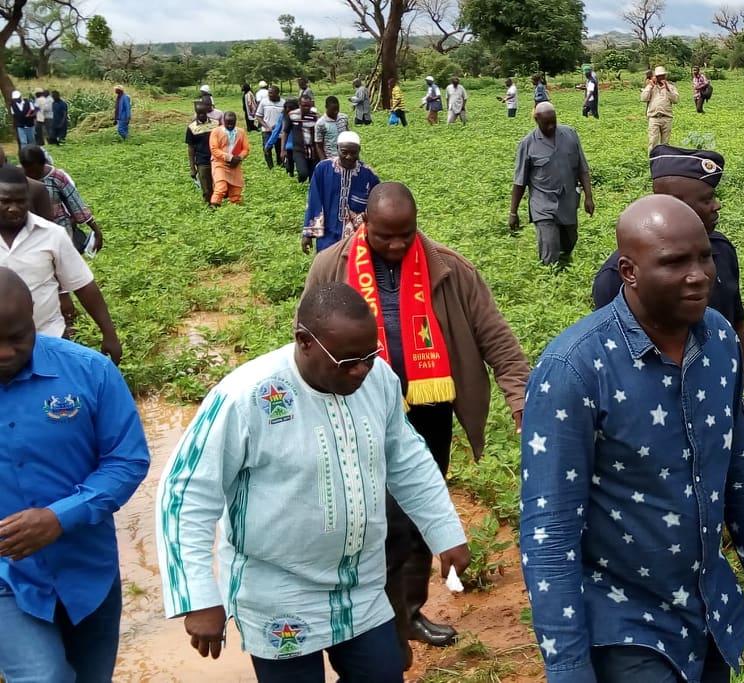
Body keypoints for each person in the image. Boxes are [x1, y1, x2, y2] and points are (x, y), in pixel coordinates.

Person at [521, 194, 744, 683]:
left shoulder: (720, 342)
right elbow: (550, 532)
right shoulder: (575, 369)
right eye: (674, 262)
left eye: (704, 256)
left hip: (709, 605)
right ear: (628, 270)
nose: (700, 275)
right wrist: (567, 667)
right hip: (623, 619)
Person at [589, 147, 744, 683]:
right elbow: (624, 368)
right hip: (659, 435)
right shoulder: (614, 280)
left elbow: (735, 331)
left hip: (724, 412)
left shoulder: (722, 251)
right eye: (705, 198)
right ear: (668, 199)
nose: (716, 207)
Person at [155, 282, 473, 681]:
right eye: (347, 361)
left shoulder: (379, 381)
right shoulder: (246, 397)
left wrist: (445, 530)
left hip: (361, 584)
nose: (361, 369)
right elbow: (185, 494)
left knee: (384, 673)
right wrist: (199, 597)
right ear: (304, 341)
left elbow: (408, 458)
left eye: (369, 355)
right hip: (278, 594)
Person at [306, 183, 530, 658]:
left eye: (404, 236)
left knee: (415, 517)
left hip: (428, 413)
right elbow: (306, 337)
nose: (395, 246)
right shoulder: (332, 266)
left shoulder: (449, 268)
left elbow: (498, 339)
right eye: (384, 236)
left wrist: (521, 404)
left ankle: (406, 615)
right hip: (355, 410)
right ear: (365, 224)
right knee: (368, 518)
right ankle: (370, 621)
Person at [0, 266, 149, 683]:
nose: (4, 353)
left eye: (16, 337)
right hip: (6, 576)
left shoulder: (89, 372)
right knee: (44, 677)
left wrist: (59, 517)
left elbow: (127, 460)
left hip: (88, 570)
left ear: (34, 317)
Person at [0, 165, 122, 361]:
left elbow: (84, 285)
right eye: (5, 201)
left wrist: (109, 334)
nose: (13, 208)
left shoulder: (52, 235)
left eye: (20, 201)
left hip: (49, 339)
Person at [509, 102, 595, 268]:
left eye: (553, 121)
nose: (551, 126)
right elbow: (519, 182)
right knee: (549, 247)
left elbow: (582, 169)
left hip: (568, 201)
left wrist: (588, 197)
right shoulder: (527, 144)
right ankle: (551, 279)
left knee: (569, 242)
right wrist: (513, 212)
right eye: (546, 123)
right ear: (536, 120)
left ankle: (565, 273)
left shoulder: (570, 134)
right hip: (543, 204)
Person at [302, 131, 382, 255]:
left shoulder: (369, 175)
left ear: (359, 150)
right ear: (337, 149)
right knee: (327, 269)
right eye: (344, 152)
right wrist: (308, 234)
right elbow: (314, 201)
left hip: (356, 238)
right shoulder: (322, 169)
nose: (349, 157)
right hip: (327, 236)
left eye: (353, 153)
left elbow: (376, 207)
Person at [19, 145, 104, 255]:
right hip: (29, 231)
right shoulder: (16, 178)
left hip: (59, 228)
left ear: (43, 163)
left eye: (37, 171)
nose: (33, 175)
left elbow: (75, 203)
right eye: (29, 172)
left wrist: (96, 230)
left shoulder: (57, 177)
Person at [208, 111, 249, 206]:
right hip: (220, 163)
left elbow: (246, 148)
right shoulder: (216, 132)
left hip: (235, 164)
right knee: (220, 187)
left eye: (232, 122)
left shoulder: (241, 132)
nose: (230, 125)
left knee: (236, 189)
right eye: (228, 122)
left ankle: (236, 209)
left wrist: (239, 157)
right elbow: (214, 149)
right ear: (223, 121)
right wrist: (230, 158)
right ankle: (214, 209)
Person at [185, 100, 219, 204]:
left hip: (217, 160)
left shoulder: (216, 124)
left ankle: (218, 205)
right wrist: (192, 168)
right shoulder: (192, 128)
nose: (201, 115)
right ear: (196, 113)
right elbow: (191, 148)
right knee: (206, 188)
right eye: (199, 113)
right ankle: (210, 208)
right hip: (202, 161)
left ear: (206, 112)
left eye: (203, 113)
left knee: (219, 185)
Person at [640, 66, 679, 149]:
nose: (660, 77)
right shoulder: (651, 86)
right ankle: (653, 160)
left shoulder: (671, 86)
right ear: (656, 77)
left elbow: (675, 100)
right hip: (654, 118)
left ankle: (663, 160)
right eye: (658, 76)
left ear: (665, 76)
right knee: (653, 142)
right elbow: (643, 98)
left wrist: (668, 89)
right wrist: (650, 87)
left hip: (667, 117)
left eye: (662, 75)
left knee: (665, 143)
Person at [287, 94, 320, 183]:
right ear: (299, 104)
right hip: (299, 149)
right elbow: (285, 131)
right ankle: (300, 183)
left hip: (313, 150)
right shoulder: (292, 115)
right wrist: (283, 149)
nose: (306, 108)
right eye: (303, 105)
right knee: (303, 173)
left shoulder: (316, 116)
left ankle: (310, 190)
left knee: (313, 175)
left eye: (308, 106)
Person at [255, 85, 285, 170]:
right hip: (267, 130)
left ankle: (280, 164)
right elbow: (259, 116)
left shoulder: (283, 103)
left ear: (277, 93)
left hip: (279, 131)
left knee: (279, 148)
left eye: (272, 93)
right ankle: (270, 167)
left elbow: (285, 117)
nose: (269, 94)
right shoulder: (264, 102)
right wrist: (266, 126)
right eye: (269, 93)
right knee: (267, 148)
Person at [315, 96, 351, 160]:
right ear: (326, 107)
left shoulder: (344, 118)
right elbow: (319, 145)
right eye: (333, 110)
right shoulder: (321, 123)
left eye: (337, 109)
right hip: (331, 158)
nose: (336, 112)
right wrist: (323, 161)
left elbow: (348, 135)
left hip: (346, 157)